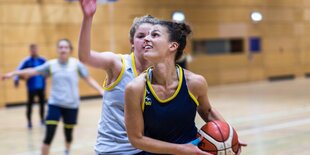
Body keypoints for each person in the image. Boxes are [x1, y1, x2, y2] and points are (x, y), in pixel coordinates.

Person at [124, 21, 246, 154]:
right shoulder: (135, 88)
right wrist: (182, 149)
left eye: (155, 35)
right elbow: (136, 139)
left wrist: (230, 137)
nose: (146, 39)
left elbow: (208, 111)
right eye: (146, 35)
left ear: (173, 46)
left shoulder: (194, 82)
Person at [79, 0, 158, 154]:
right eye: (141, 36)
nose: (146, 40)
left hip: (144, 148)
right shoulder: (117, 64)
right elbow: (85, 56)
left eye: (151, 36)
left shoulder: (159, 72)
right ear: (132, 42)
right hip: (113, 150)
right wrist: (87, 18)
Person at [2, 38, 104, 155]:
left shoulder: (76, 65)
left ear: (70, 50)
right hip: (54, 104)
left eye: (65, 47)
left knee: (68, 134)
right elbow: (32, 71)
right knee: (48, 135)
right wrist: (13, 73)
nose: (63, 50)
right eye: (60, 47)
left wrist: (101, 90)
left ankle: (67, 151)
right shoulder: (51, 65)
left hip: (71, 105)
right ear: (57, 50)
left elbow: (88, 79)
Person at [14, 44, 46, 129]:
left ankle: (42, 120)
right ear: (30, 51)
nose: (34, 51)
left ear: (37, 50)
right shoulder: (27, 61)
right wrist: (16, 79)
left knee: (42, 104)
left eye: (35, 49)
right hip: (31, 88)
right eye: (32, 50)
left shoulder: (42, 60)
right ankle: (29, 122)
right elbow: (18, 71)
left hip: (41, 87)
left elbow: (48, 69)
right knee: (30, 105)